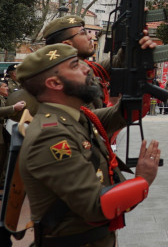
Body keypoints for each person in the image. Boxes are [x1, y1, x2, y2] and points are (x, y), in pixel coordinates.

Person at [18, 42, 160, 246]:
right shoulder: (52, 136)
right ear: (55, 83)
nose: (87, 68)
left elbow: (127, 113)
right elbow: (96, 206)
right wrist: (142, 180)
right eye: (76, 65)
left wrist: (143, 68)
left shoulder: (76, 117)